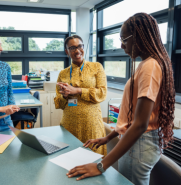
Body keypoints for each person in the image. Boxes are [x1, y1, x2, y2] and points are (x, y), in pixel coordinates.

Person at [66, 13, 175, 185]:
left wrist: (101, 165)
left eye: (124, 39)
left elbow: (140, 124)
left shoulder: (150, 66)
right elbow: (134, 118)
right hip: (137, 142)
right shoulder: (147, 64)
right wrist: (110, 137)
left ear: (138, 38)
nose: (121, 45)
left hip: (139, 144)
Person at [54, 35, 107, 155]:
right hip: (69, 124)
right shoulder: (63, 73)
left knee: (93, 158)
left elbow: (102, 93)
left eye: (80, 46)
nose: (77, 50)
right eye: (72, 48)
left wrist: (78, 91)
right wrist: (65, 96)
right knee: (70, 158)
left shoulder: (96, 67)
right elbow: (59, 103)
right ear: (67, 51)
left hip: (91, 123)